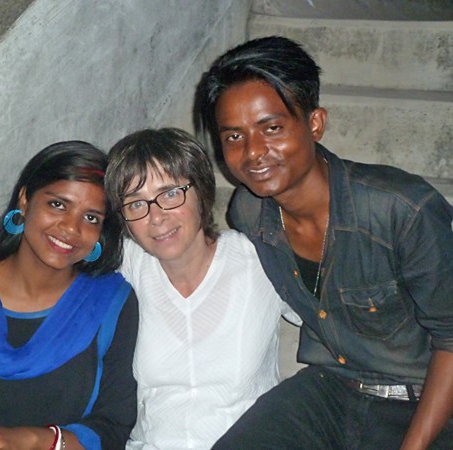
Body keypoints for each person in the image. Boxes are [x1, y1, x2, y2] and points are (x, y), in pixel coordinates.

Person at [0, 128, 300, 449]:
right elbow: (57, 247)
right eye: (136, 204)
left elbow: (326, 315)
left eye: (171, 193)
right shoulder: (132, 265)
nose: (156, 217)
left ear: (201, 191)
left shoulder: (260, 257)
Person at [194, 35, 453, 449]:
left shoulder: (401, 210)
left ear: (314, 123)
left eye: (272, 128)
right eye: (234, 137)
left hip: (425, 399)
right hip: (332, 386)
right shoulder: (250, 211)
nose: (254, 152)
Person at [0, 141, 139, 450]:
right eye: (58, 204)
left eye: (91, 218)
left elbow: (112, 426)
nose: (70, 228)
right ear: (24, 200)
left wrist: (33, 440)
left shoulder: (111, 302)